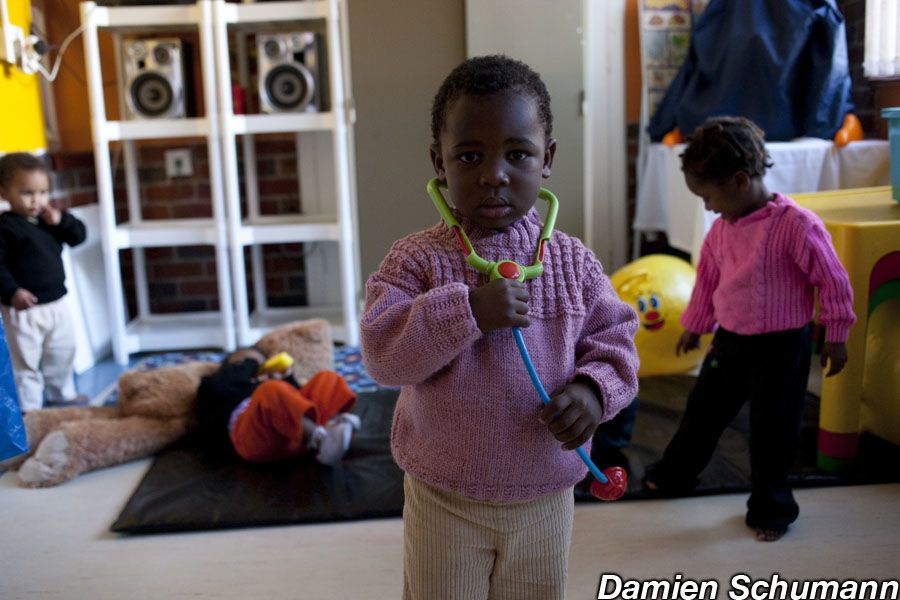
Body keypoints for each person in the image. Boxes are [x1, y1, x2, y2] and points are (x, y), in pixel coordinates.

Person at [360, 55, 640, 600]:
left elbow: (617, 345)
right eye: (470, 156)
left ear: (547, 159)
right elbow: (382, 355)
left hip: (545, 496)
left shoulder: (572, 263)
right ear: (439, 163)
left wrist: (591, 391)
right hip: (445, 496)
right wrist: (466, 311)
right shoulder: (416, 262)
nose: (494, 174)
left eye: (518, 154)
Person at [642, 116, 856, 542]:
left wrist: (836, 332)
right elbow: (707, 280)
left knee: (773, 430)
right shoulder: (720, 232)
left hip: (783, 347)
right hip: (731, 341)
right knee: (703, 411)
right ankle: (674, 476)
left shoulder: (796, 225)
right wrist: (695, 325)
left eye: (708, 197)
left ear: (739, 181)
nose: (707, 207)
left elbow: (832, 280)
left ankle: (771, 509)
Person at [0, 152, 87, 412]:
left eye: (43, 192)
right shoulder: (5, 228)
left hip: (57, 303)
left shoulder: (50, 221)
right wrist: (12, 291)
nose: (37, 200)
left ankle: (61, 393)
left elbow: (78, 236)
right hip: (23, 308)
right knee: (26, 360)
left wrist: (63, 221)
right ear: (4, 193)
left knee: (62, 351)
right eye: (27, 193)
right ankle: (30, 408)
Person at [194, 346, 360, 465]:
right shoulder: (214, 383)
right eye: (242, 362)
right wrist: (251, 365)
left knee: (327, 378)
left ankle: (331, 428)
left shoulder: (271, 382)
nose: (251, 365)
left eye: (260, 363)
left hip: (295, 437)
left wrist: (287, 378)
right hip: (254, 439)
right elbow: (216, 392)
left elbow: (301, 402)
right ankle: (322, 441)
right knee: (270, 391)